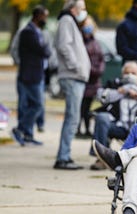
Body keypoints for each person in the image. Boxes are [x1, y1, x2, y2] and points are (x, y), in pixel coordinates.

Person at [89, 61, 137, 170]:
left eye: (133, 73)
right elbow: (101, 96)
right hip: (118, 126)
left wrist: (136, 91)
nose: (130, 75)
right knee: (101, 117)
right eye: (127, 72)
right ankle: (101, 158)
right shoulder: (114, 84)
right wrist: (122, 91)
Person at [53, 0, 91, 170]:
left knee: (73, 117)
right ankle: (63, 157)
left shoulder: (70, 22)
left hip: (76, 76)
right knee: (72, 118)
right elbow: (64, 47)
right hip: (72, 76)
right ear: (73, 8)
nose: (84, 11)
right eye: (82, 8)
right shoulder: (67, 21)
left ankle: (64, 156)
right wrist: (76, 66)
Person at [11, 5, 51, 146]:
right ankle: (20, 129)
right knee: (36, 105)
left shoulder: (37, 31)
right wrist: (46, 47)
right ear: (38, 16)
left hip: (37, 75)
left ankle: (27, 134)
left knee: (36, 105)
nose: (45, 19)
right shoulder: (28, 32)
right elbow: (43, 51)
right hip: (29, 76)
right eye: (44, 16)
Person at [76, 15, 105, 138]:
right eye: (85, 25)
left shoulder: (95, 42)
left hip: (94, 81)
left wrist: (99, 70)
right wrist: (91, 70)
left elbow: (101, 58)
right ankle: (78, 129)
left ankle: (87, 129)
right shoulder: (79, 42)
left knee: (88, 107)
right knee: (80, 107)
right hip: (84, 79)